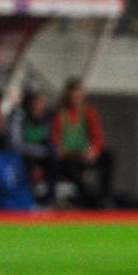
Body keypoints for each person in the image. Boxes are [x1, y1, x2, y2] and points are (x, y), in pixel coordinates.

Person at [52, 78, 113, 208]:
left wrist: (93, 151)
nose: (75, 99)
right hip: (69, 156)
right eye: (73, 96)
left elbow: (97, 136)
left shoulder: (89, 112)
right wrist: (66, 152)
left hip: (85, 152)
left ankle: (104, 197)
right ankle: (87, 201)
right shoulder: (60, 114)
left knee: (108, 157)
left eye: (78, 96)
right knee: (70, 168)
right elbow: (56, 140)